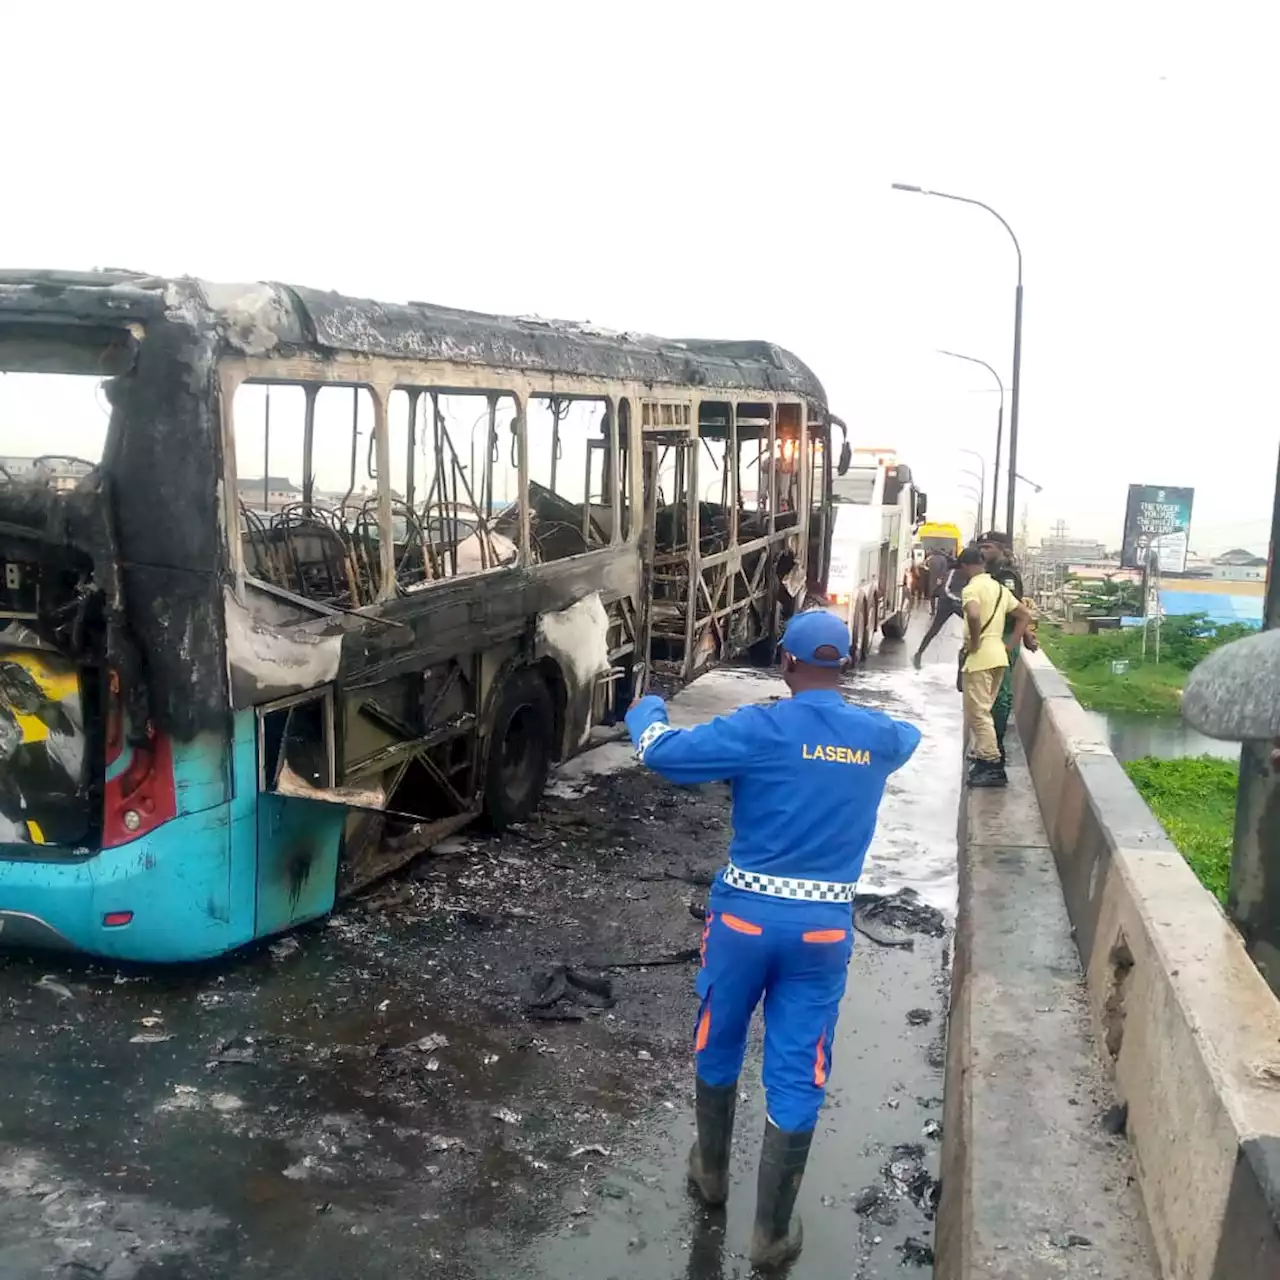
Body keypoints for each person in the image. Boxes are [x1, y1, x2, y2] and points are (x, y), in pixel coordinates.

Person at [625, 610, 921, 1268]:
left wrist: (644, 708)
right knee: (798, 1069)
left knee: (719, 1038)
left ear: (785, 663)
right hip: (821, 932)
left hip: (741, 925)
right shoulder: (879, 738)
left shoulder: (758, 728)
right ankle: (770, 1235)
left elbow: (663, 756)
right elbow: (908, 737)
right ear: (841, 666)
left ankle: (710, 1174)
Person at [959, 545, 1031, 786]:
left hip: (980, 658)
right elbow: (1024, 615)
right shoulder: (999, 588)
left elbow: (974, 614)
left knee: (978, 713)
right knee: (986, 710)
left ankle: (992, 764)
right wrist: (1009, 647)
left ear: (965, 567)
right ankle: (984, 757)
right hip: (999, 656)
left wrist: (976, 641)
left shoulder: (971, 588)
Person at [976, 531, 1039, 763]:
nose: (983, 552)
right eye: (981, 548)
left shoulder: (1006, 576)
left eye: (988, 547)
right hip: (994, 636)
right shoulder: (991, 573)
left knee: (1000, 694)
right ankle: (989, 745)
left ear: (1001, 549)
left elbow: (1016, 610)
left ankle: (996, 750)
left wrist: (1021, 637)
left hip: (1004, 636)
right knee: (989, 694)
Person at [912, 553, 965, 669]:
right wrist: (959, 600)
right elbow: (946, 590)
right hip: (947, 603)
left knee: (974, 626)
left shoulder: (972, 575)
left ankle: (965, 660)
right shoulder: (952, 573)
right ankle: (919, 653)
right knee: (934, 628)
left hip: (959, 603)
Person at [924, 549, 950, 617]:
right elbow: (944, 570)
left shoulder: (931, 559)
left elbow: (926, 566)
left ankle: (933, 611)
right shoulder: (943, 559)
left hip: (932, 579)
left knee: (932, 596)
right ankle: (939, 611)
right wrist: (941, 578)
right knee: (940, 596)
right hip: (941, 579)